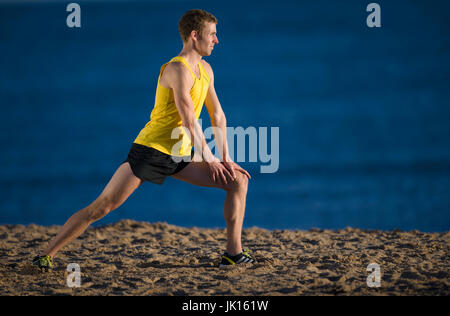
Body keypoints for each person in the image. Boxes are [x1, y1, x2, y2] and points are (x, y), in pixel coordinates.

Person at [33, 9, 254, 271]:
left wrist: (225, 157)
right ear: (195, 36)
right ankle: (47, 254)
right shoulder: (176, 69)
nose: (217, 40)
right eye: (213, 34)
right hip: (151, 150)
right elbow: (188, 120)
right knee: (103, 207)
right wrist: (210, 158)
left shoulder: (206, 69)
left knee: (237, 180)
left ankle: (233, 253)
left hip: (180, 153)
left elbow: (217, 114)